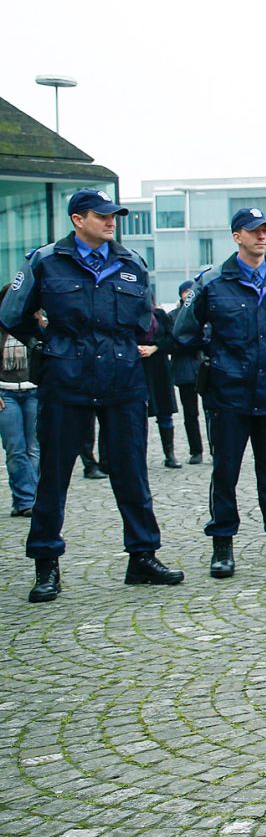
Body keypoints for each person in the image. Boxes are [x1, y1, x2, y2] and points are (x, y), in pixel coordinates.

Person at [1, 188, 185, 602]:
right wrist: (47, 344)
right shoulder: (45, 261)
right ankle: (46, 564)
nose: (110, 221)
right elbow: (12, 315)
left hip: (122, 382)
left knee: (132, 472)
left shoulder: (130, 263)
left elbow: (144, 321)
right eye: (101, 215)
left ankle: (143, 556)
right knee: (54, 476)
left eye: (113, 215)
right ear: (77, 220)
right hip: (66, 382)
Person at [172, 207, 266, 577]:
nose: (261, 236)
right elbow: (185, 332)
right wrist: (220, 353)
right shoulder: (213, 281)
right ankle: (223, 544)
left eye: (265, 230)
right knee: (225, 471)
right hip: (229, 391)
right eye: (253, 231)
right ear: (237, 236)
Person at [0, 316, 39, 517]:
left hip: (34, 392)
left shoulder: (38, 328)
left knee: (33, 448)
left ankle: (26, 500)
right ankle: (27, 499)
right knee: (15, 448)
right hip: (5, 394)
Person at [170, 280, 205, 463]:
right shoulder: (173, 316)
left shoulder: (204, 312)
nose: (188, 294)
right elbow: (172, 341)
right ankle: (196, 450)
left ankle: (216, 448)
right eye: (185, 291)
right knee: (190, 414)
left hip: (204, 367)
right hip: (184, 369)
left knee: (211, 412)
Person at [144, 303, 180, 469]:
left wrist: (155, 347)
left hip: (159, 368)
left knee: (165, 413)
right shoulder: (129, 313)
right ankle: (138, 455)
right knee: (137, 415)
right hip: (137, 368)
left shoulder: (159, 315)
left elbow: (172, 339)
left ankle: (169, 453)